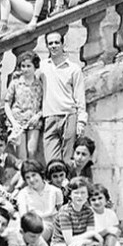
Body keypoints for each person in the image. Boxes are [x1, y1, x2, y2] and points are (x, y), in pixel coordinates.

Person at [39, 31, 87, 166]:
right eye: (50, 43)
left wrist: (81, 122)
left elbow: (80, 97)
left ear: (62, 44)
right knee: (52, 164)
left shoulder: (74, 69)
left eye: (56, 43)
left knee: (68, 161)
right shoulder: (42, 67)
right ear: (47, 46)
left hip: (69, 116)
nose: (53, 46)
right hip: (49, 116)